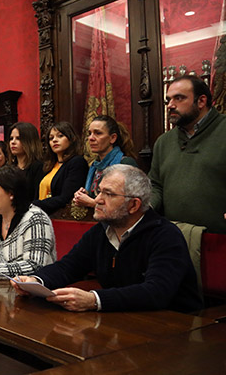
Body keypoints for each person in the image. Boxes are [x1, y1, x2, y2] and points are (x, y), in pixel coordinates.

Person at [12, 165, 203, 313]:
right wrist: (35, 281)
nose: (98, 200)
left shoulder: (165, 236)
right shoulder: (101, 232)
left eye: (109, 194)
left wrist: (94, 300)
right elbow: (68, 267)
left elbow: (156, 292)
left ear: (134, 205)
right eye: (99, 191)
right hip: (124, 320)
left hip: (176, 330)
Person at [149, 75, 226, 234]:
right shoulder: (163, 142)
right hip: (173, 239)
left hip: (219, 240)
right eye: (168, 100)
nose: (170, 105)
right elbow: (156, 185)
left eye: (179, 98)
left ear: (201, 101)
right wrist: (145, 206)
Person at [73, 116, 137, 209]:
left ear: (112, 138)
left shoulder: (126, 163)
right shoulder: (95, 166)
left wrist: (92, 203)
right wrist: (83, 195)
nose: (91, 138)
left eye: (98, 133)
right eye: (89, 133)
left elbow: (130, 205)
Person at [33, 122, 88, 215]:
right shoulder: (49, 165)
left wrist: (33, 205)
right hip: (40, 215)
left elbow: (65, 198)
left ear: (71, 138)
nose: (54, 140)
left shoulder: (77, 162)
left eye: (60, 136)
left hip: (58, 217)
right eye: (51, 138)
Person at [9, 122, 44, 202]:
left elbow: (37, 198)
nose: (13, 142)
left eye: (18, 138)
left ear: (29, 141)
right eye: (11, 138)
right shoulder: (9, 168)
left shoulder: (38, 167)